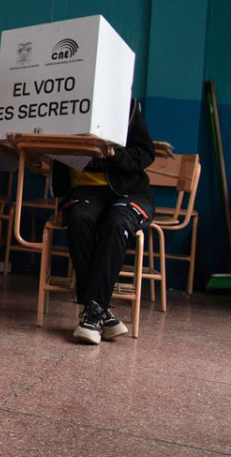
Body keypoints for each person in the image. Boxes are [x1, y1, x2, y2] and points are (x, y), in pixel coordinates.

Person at [52, 99, 155, 345]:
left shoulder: (127, 106)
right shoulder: (60, 103)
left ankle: (92, 312)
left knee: (118, 221)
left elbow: (145, 153)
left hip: (129, 192)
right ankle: (100, 312)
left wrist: (113, 154)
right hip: (82, 193)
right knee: (78, 218)